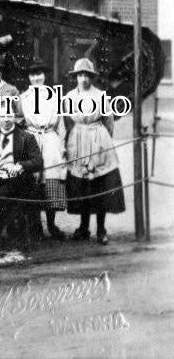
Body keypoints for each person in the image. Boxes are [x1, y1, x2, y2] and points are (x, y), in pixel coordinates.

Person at [64, 58, 125, 245]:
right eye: (80, 75)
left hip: (98, 139)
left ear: (92, 77)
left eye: (86, 75)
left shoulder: (100, 96)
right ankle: (83, 227)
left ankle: (101, 229)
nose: (83, 79)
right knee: (82, 186)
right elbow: (66, 121)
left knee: (100, 185)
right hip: (78, 138)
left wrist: (103, 141)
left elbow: (109, 121)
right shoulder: (69, 97)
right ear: (75, 77)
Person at [0, 113, 42, 260]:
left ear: (15, 118)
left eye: (9, 115)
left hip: (18, 181)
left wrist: (20, 166)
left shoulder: (26, 138)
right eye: (2, 116)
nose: (6, 119)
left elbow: (37, 161)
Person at [19, 57, 68, 240]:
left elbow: (61, 126)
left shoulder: (54, 97)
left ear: (44, 75)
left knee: (50, 183)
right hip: (32, 140)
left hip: (50, 140)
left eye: (39, 74)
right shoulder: (23, 98)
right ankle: (35, 227)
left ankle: (52, 224)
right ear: (29, 77)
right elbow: (20, 123)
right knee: (33, 183)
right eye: (33, 74)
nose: (36, 78)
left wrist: (62, 148)